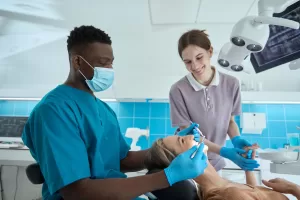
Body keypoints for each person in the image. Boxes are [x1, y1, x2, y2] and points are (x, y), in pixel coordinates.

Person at [21, 25, 208, 200]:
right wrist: (167, 176)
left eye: (111, 63)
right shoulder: (55, 110)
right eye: (103, 63)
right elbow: (76, 191)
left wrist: (171, 148)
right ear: (77, 61)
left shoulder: (104, 109)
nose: (109, 69)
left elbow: (122, 160)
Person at [169, 29, 259, 172]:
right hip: (190, 160)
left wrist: (236, 140)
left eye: (199, 57)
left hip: (216, 162)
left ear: (210, 52)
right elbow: (188, 134)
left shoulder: (232, 84)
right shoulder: (178, 90)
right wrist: (224, 151)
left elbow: (229, 121)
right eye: (188, 62)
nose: (195, 66)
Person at [144, 134, 289, 200]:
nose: (191, 136)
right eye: (182, 140)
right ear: (182, 162)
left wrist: (248, 171)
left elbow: (251, 194)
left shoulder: (224, 186)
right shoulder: (228, 194)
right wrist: (294, 190)